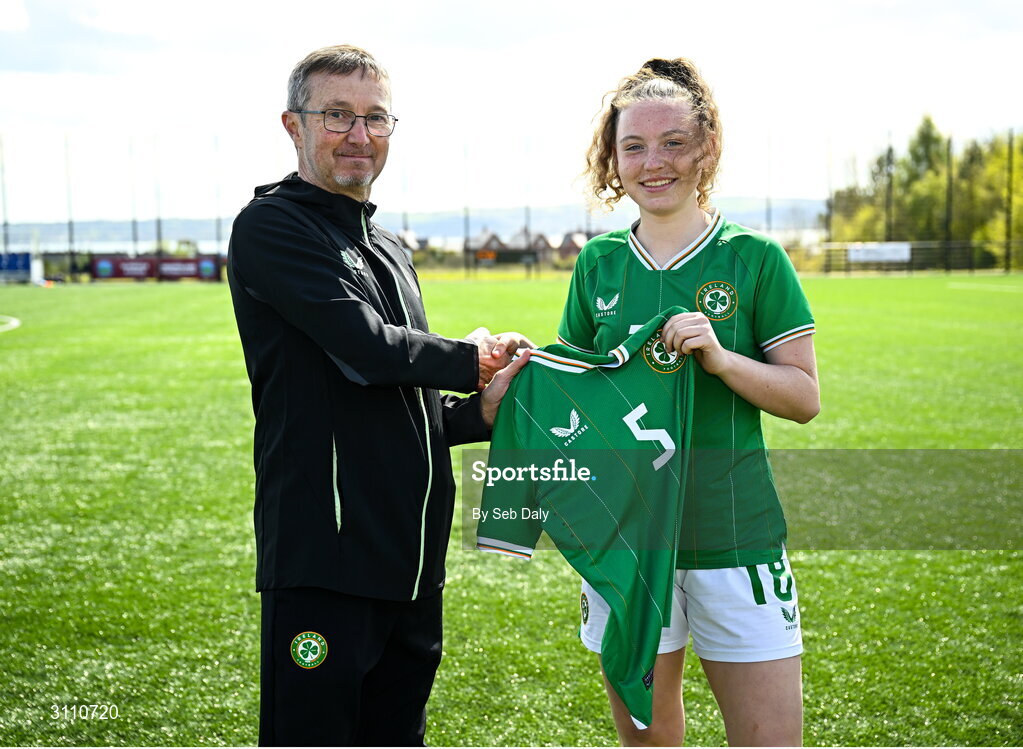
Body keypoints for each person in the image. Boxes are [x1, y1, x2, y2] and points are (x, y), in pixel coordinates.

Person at [227, 44, 532, 747]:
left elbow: (396, 401)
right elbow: (365, 351)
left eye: (375, 118)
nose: (358, 135)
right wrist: (473, 358)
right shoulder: (273, 227)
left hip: (413, 567)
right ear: (292, 124)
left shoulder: (389, 245)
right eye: (336, 115)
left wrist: (474, 415)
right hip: (327, 563)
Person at [557, 57, 820, 746]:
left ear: (706, 148)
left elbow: (803, 397)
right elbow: (574, 401)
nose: (653, 162)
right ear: (611, 160)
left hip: (734, 537)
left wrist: (722, 359)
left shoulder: (754, 258)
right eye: (633, 146)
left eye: (672, 142)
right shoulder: (598, 264)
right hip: (630, 544)